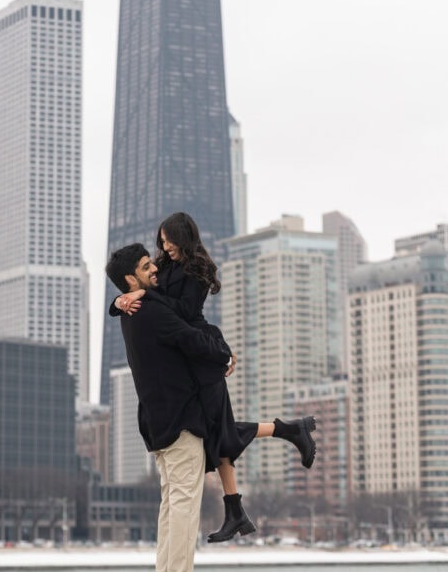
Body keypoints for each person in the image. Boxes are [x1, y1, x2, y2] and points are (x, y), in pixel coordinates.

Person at [111, 211, 317, 543]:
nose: (164, 248)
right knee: (218, 433)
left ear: (182, 237)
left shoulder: (199, 270)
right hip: (188, 354)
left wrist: (145, 296)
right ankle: (285, 437)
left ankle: (247, 493)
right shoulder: (163, 265)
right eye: (161, 243)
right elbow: (138, 282)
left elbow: (185, 313)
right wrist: (121, 299)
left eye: (168, 241)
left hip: (203, 353)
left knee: (218, 433)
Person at [105, 242, 231, 572]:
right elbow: (190, 339)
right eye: (146, 267)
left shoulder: (131, 312)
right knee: (185, 499)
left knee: (171, 499)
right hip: (179, 418)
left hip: (157, 420)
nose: (154, 269)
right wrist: (224, 352)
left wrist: (115, 303)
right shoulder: (151, 310)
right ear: (131, 280)